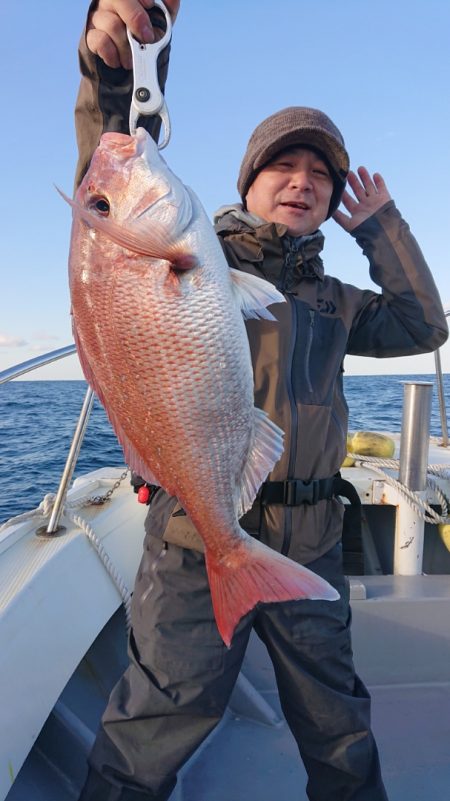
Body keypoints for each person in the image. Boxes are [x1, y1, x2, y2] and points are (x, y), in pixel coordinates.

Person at [75, 3, 448, 800]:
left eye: (322, 175)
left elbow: (424, 322)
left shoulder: (340, 303)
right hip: (192, 535)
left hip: (312, 539)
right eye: (284, 165)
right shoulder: (187, 254)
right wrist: (117, 68)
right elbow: (109, 174)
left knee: (338, 727)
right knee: (154, 723)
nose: (303, 182)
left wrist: (383, 230)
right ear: (248, 180)